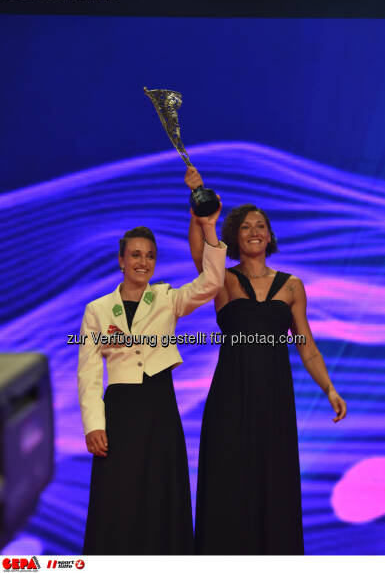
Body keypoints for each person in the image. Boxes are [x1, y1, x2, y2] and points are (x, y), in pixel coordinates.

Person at [185, 167, 347, 555]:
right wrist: (198, 208)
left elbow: (306, 344)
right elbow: (198, 251)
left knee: (272, 483)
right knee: (229, 480)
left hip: (274, 399)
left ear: (270, 236)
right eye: (246, 227)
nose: (255, 231)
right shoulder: (221, 280)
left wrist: (329, 388)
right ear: (234, 237)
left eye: (261, 226)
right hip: (230, 396)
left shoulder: (292, 286)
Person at [77, 197, 226, 555]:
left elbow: (212, 282)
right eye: (136, 255)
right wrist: (93, 425)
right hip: (120, 410)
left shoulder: (166, 298)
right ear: (122, 261)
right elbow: (88, 373)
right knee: (117, 496)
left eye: (150, 256)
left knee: (160, 491)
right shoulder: (96, 310)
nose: (143, 262)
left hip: (159, 404)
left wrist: (208, 225)